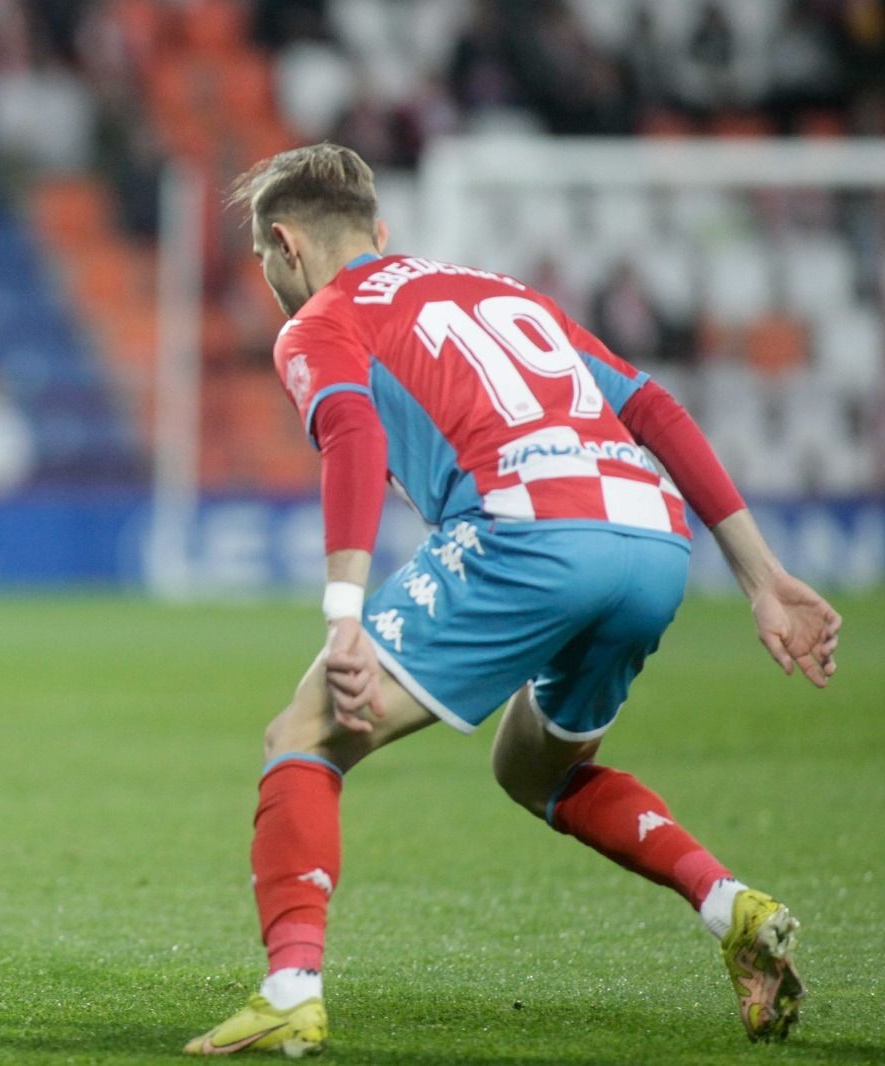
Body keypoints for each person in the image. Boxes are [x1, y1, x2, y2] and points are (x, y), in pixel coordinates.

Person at [184, 144, 842, 1056]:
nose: (269, 282)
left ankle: (290, 990)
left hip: (525, 530)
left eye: (263, 263)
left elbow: (351, 434)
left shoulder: (322, 321)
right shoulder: (500, 292)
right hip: (653, 542)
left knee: (303, 738)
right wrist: (763, 578)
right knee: (536, 770)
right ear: (380, 233)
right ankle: (732, 907)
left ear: (287, 246)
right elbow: (652, 406)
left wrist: (343, 615)